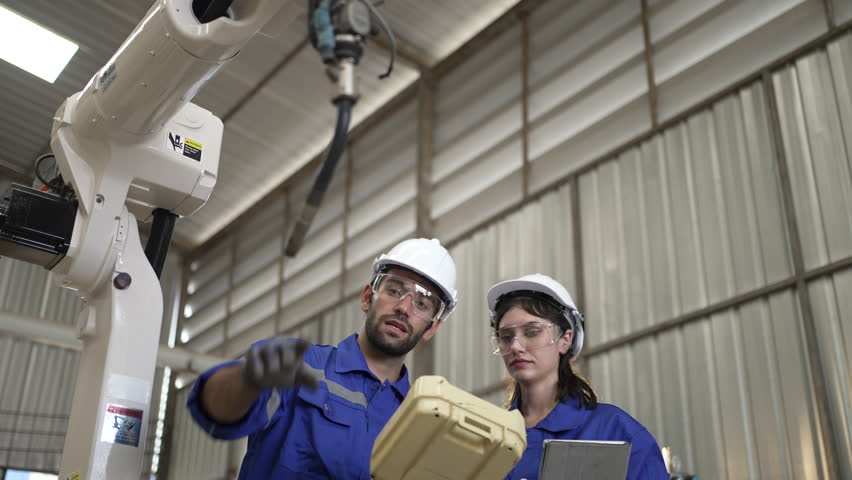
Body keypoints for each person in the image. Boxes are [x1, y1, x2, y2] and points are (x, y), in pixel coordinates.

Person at [187, 238, 458, 479]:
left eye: (422, 304)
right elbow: (217, 413)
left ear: (431, 328)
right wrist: (244, 381)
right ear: (367, 297)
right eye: (394, 291)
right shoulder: (297, 366)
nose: (404, 308)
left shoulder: (417, 420)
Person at [487, 273, 669, 480]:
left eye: (532, 332)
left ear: (565, 340)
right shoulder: (488, 440)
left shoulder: (614, 431)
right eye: (506, 337)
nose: (515, 346)